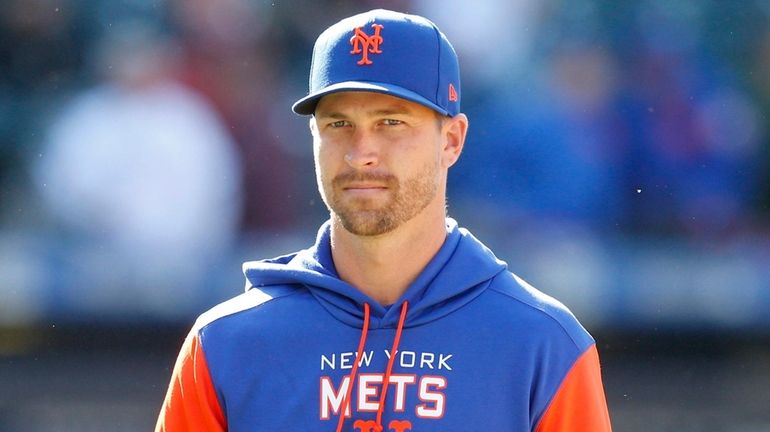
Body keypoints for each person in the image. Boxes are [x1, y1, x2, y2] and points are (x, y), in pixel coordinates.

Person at [156, 9, 612, 432]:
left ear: (451, 140)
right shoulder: (224, 344)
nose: (361, 153)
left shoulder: (543, 345)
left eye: (390, 122)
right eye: (338, 124)